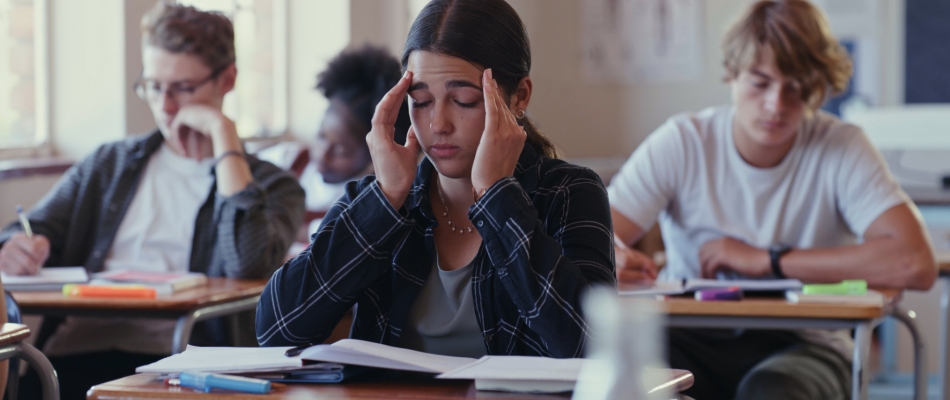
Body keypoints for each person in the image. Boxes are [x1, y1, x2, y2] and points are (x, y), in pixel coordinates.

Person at [608, 1, 936, 399]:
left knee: (773, 389)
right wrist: (612, 254)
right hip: (692, 335)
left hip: (807, 344)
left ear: (816, 86)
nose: (776, 105)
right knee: (627, 378)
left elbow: (915, 262)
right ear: (732, 73)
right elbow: (592, 237)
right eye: (760, 83)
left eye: (796, 87)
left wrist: (767, 260)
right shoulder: (683, 142)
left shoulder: (841, 146)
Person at [256, 0, 614, 358]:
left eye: (463, 100)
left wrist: (497, 196)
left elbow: (592, 348)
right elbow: (276, 330)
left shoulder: (569, 192)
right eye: (422, 101)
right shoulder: (385, 198)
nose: (438, 125)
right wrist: (385, 200)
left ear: (518, 97)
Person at [0, 3, 304, 399]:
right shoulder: (112, 163)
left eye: (183, 88)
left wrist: (223, 136)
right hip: (77, 352)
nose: (166, 105)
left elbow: (248, 262)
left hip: (183, 363)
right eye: (154, 86)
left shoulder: (274, 185)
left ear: (226, 79)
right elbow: (34, 227)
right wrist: (16, 247)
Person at [297, 46, 411, 237]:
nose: (322, 154)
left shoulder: (363, 203)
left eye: (342, 151)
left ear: (372, 156)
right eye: (321, 135)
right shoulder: (290, 159)